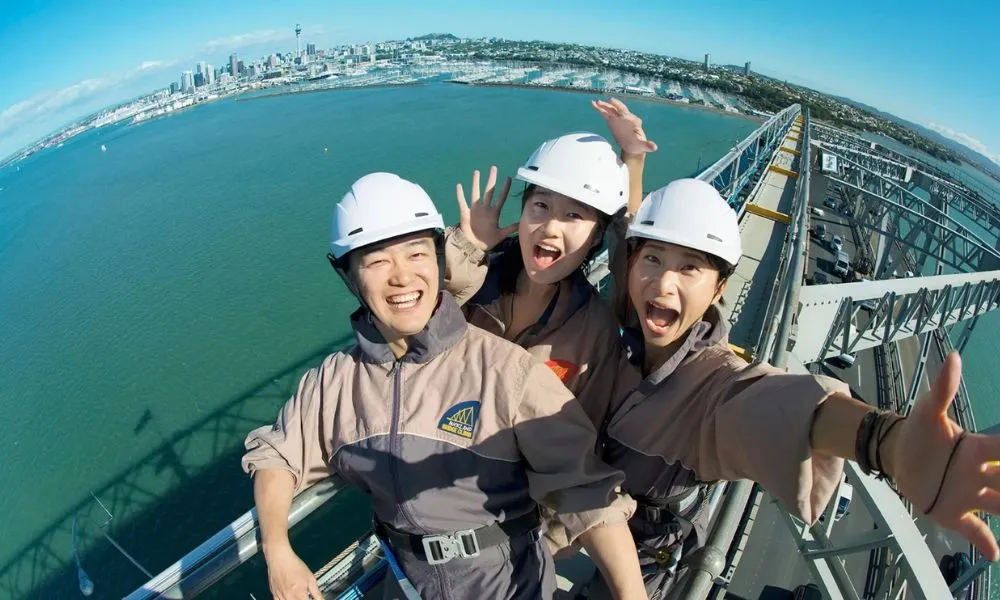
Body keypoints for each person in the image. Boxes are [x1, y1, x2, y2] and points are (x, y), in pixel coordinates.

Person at [585, 177, 1000, 599]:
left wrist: (886, 441)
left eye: (690, 266)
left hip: (646, 552)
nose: (663, 282)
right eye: (652, 258)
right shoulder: (635, 312)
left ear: (719, 288)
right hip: (590, 507)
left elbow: (782, 407)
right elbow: (627, 239)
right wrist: (634, 162)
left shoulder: (711, 386)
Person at [241, 172, 646, 600]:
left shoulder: (505, 369)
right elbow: (278, 455)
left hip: (506, 582)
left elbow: (589, 493)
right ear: (350, 277)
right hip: (405, 581)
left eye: (417, 254)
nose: (401, 277)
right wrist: (279, 549)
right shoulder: (336, 381)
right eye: (377, 261)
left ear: (437, 259)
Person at [443, 98, 656, 429]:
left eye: (573, 215)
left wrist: (634, 159)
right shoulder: (475, 278)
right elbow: (411, 328)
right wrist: (465, 248)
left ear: (599, 234)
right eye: (540, 204)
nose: (550, 228)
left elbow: (578, 437)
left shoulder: (593, 330)